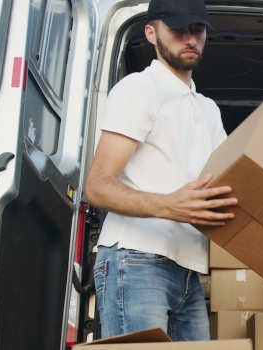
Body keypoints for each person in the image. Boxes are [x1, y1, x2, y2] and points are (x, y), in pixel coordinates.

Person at [84, 0, 236, 340]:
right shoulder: (140, 88)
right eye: (179, 30)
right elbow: (96, 186)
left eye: (197, 31)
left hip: (189, 271)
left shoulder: (208, 109)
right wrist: (169, 205)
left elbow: (229, 183)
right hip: (136, 260)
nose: (190, 39)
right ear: (151, 32)